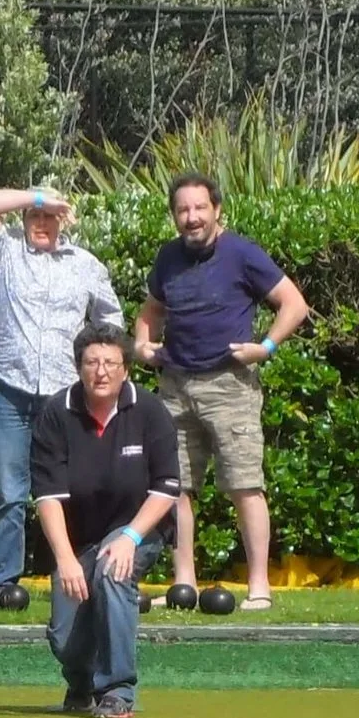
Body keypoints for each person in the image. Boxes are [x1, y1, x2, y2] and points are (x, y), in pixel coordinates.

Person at [133, 171, 310, 610]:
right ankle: (184, 586)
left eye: (199, 208)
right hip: (174, 386)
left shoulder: (242, 253)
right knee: (174, 488)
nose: (191, 217)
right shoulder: (168, 257)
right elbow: (151, 310)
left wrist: (265, 347)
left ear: (217, 210)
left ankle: (259, 589)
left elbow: (295, 303)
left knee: (244, 485)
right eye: (183, 210)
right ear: (175, 215)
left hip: (229, 385)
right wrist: (142, 346)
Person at [0, 185, 124, 589]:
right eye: (35, 216)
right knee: (7, 489)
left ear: (63, 222)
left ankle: (76, 575)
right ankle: (0, 581)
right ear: (24, 218)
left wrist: (98, 363)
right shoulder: (5, 253)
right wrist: (38, 198)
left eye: (50, 217)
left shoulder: (85, 264)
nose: (41, 223)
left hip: (65, 394)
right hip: (8, 389)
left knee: (72, 489)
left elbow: (111, 321)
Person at [31, 324, 181, 718]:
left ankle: (118, 691)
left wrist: (131, 536)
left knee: (112, 572)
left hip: (137, 529)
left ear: (126, 368)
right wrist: (64, 559)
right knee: (65, 638)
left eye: (111, 363)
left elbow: (167, 488)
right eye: (92, 362)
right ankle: (81, 685)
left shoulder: (150, 411)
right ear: (79, 367)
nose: (101, 371)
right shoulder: (55, 412)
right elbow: (47, 496)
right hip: (77, 539)